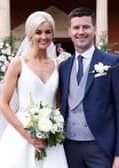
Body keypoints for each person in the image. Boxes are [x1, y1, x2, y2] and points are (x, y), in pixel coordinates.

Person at [0, 11, 68, 168]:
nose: (44, 37)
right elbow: (4, 104)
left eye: (48, 32)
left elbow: (59, 103)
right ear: (30, 35)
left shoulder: (57, 65)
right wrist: (27, 136)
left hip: (50, 137)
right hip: (21, 133)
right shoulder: (18, 64)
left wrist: (52, 127)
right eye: (38, 32)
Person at [59, 7, 119, 168]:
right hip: (69, 146)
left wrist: (118, 155)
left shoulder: (112, 62)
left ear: (94, 29)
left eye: (85, 27)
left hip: (101, 147)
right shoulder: (64, 67)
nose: (81, 32)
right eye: (76, 27)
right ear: (69, 31)